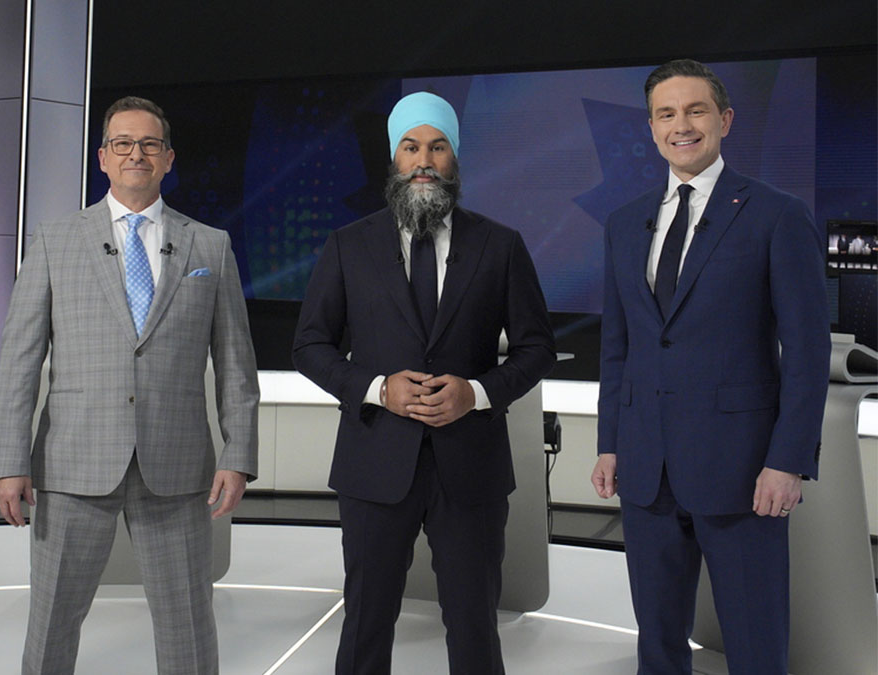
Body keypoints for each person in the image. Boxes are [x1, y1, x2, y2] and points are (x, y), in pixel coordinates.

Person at [0, 96, 259, 675]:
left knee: (188, 624)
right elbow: (19, 360)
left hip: (178, 467)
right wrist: (9, 460)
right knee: (52, 622)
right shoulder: (55, 241)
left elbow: (237, 365)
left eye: (149, 145)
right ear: (103, 159)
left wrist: (239, 455)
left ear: (168, 159)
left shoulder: (209, 245)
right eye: (123, 144)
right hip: (70, 464)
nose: (136, 154)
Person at [292, 91, 555, 674]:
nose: (424, 160)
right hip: (374, 463)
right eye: (411, 147)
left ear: (455, 159)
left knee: (473, 626)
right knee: (365, 620)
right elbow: (309, 346)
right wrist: (376, 387)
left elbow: (537, 349)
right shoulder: (348, 245)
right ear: (394, 159)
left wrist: (478, 393)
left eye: (438, 147)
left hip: (471, 468)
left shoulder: (500, 245)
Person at [591, 59, 830, 674]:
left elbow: (806, 353)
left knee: (755, 645)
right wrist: (609, 444)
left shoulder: (777, 215)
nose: (682, 125)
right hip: (646, 470)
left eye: (695, 110)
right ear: (650, 129)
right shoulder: (624, 225)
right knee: (658, 645)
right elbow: (618, 349)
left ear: (723, 119)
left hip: (744, 471)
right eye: (666, 114)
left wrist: (787, 460)